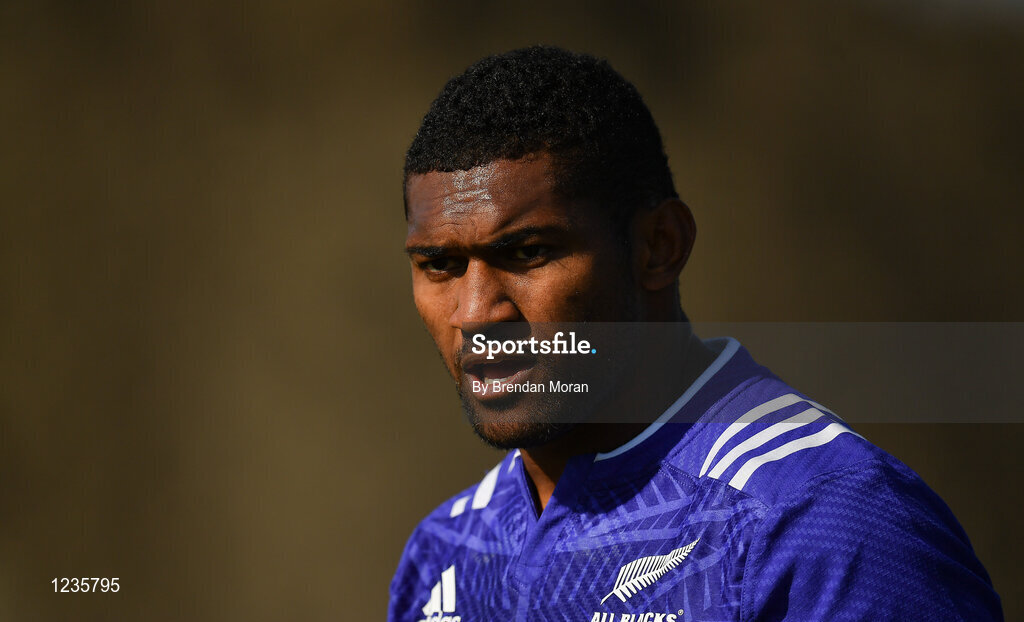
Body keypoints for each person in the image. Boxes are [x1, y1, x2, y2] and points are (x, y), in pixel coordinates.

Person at [389, 46, 1002, 621]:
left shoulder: (822, 522)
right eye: (439, 265)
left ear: (660, 246)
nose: (476, 313)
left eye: (527, 251)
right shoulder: (443, 555)